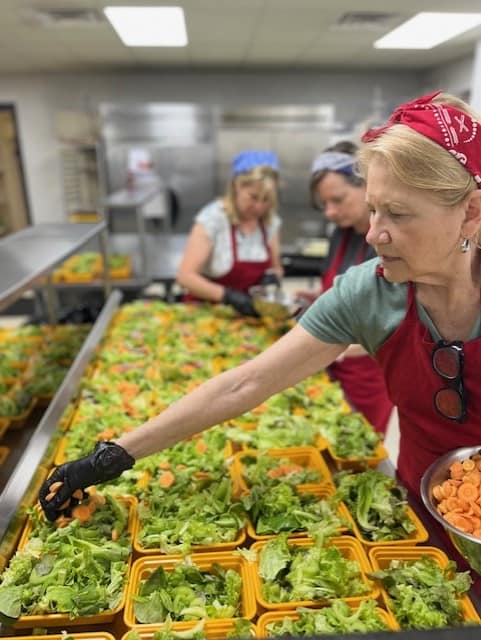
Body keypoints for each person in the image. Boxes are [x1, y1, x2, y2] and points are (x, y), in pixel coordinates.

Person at [40, 90, 481, 522]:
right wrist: (112, 455)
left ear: (470, 212)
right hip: (428, 499)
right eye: (372, 211)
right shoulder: (369, 292)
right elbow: (245, 384)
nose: (372, 235)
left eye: (398, 214)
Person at [299, 141, 393, 434]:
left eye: (338, 200)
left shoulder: (388, 244)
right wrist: (315, 300)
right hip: (330, 365)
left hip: (367, 376)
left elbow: (391, 326)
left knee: (359, 446)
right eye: (324, 203)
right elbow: (343, 295)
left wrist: (335, 349)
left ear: (366, 187)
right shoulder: (340, 235)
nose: (329, 211)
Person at [176, 150, 283, 317]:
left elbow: (276, 268)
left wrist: (272, 279)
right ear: (236, 187)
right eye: (253, 197)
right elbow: (185, 277)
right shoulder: (213, 219)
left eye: (266, 199)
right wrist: (227, 296)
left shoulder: (270, 223)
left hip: (250, 317)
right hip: (206, 315)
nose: (259, 207)